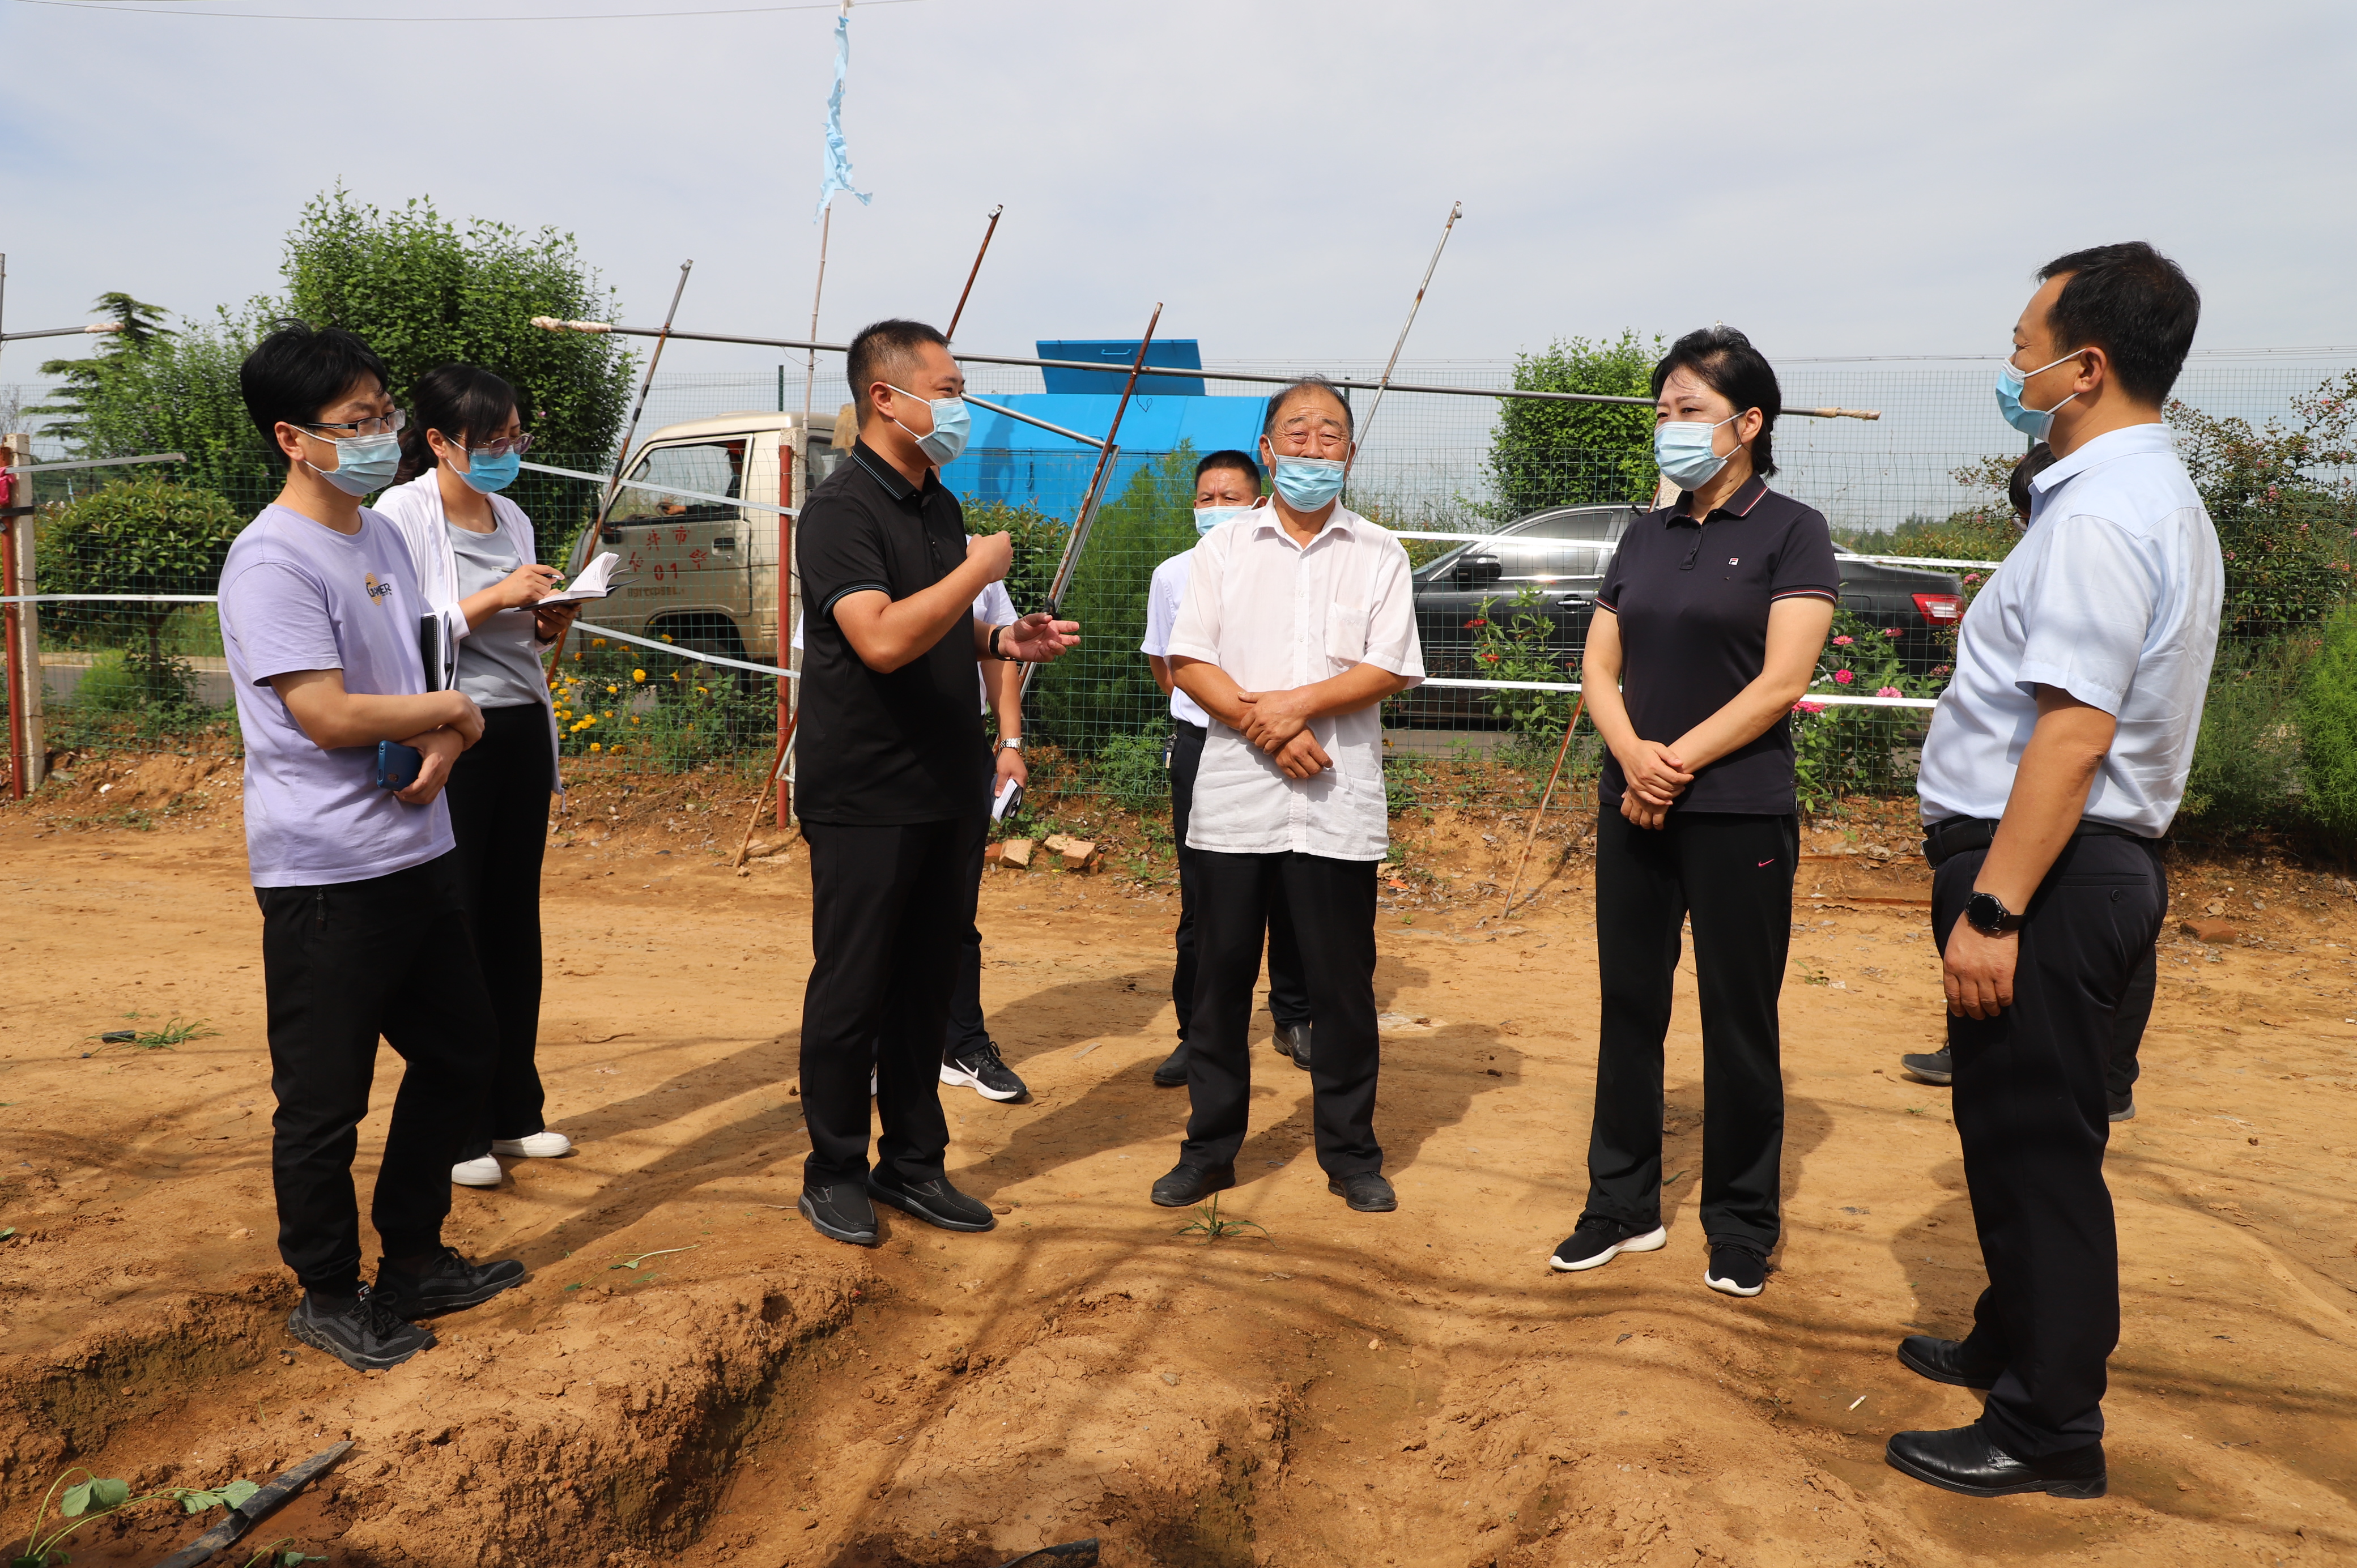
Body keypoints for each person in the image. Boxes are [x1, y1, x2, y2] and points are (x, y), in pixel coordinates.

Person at [1886, 242, 2216, 1502]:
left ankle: (2048, 1428)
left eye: (2024, 344)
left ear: (2084, 366)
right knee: (2008, 1130)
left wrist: (1992, 905)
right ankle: (2010, 1339)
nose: (2011, 365)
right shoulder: (2138, 500)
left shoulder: (2101, 516)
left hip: (2050, 874)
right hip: (2076, 869)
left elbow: (2072, 733)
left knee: (2040, 1152)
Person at [220, 322, 525, 1373]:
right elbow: (326, 714)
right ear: (292, 438)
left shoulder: (382, 537)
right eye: (358, 423)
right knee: (324, 1094)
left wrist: (447, 728)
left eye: (384, 414)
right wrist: (452, 712)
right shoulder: (271, 560)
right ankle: (324, 1288)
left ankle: (415, 1258)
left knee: (460, 1052)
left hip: (416, 847)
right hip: (326, 871)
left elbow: (422, 658)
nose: (381, 434)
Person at [1548, 327, 1838, 1300]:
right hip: (1631, 802)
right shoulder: (1643, 533)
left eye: (1690, 410)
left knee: (1738, 1017)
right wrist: (1631, 756)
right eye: (1663, 410)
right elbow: (1598, 665)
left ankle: (1742, 1219)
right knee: (1630, 1006)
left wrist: (1671, 764)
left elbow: (1782, 681)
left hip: (1738, 809)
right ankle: (1619, 1202)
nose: (1669, 426)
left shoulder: (1792, 530)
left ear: (1748, 423)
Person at [793, 318, 1078, 1247]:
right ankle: (833, 1168)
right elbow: (877, 635)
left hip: (945, 784)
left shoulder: (937, 502)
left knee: (925, 987)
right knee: (854, 988)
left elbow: (933, 624)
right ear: (887, 396)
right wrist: (979, 575)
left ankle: (912, 1163)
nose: (961, 407)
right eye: (949, 389)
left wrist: (1001, 636)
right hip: (866, 792)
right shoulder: (841, 510)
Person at [1155, 377, 1424, 1215]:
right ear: (1268, 450)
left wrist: (1294, 706)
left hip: (1335, 801)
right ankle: (1211, 1149)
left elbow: (1389, 668)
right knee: (1221, 982)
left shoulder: (1380, 552)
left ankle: (1351, 1155)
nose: (1314, 449)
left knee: (1343, 987)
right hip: (1236, 802)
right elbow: (1189, 660)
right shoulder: (1223, 551)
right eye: (1297, 434)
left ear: (1351, 452)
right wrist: (1269, 729)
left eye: (1331, 435)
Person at [1899, 441, 2151, 1124]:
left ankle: (2103, 1076)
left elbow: (2071, 738)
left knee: (2029, 1136)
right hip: (2057, 826)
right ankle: (2101, 1077)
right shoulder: (2127, 527)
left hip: (2046, 826)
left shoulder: (2088, 545)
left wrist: (1989, 912)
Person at [377, 364, 581, 1187]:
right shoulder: (401, 514)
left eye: (515, 438)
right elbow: (404, 633)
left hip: (521, 728)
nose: (507, 452)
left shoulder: (516, 514)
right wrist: (498, 596)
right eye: (491, 440)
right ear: (438, 443)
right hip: (451, 738)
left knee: (510, 920)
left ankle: (513, 1112)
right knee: (454, 925)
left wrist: (544, 620)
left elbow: (521, 645)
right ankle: (457, 1127)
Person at [1141, 450, 1314, 1089]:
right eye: (1205, 497)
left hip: (1290, 742)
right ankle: (1199, 1032)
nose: (1215, 509)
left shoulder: (1289, 570)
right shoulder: (1172, 575)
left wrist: (1271, 723)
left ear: (1259, 501)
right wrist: (1226, 713)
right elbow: (1169, 666)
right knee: (1204, 900)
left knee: (1292, 892)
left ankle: (1293, 1015)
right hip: (1204, 743)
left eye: (1230, 497)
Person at [939, 572, 1033, 1101]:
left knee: (955, 910)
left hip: (959, 745)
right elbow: (819, 659)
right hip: (877, 750)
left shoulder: (974, 551)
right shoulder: (851, 536)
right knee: (878, 916)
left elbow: (999, 651)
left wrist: (1010, 740)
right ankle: (873, 1047)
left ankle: (961, 1045)